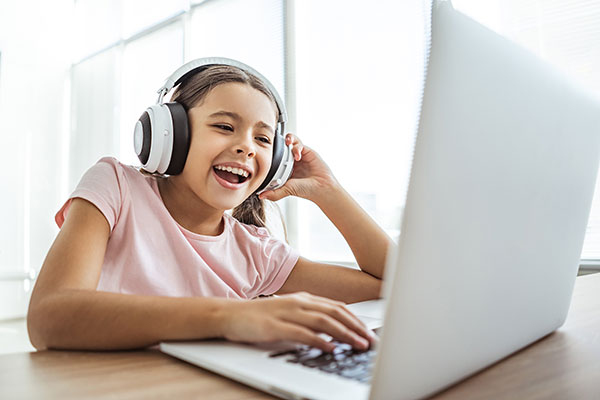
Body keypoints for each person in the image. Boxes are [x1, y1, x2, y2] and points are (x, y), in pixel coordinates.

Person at [27, 62, 393, 353]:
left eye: (263, 138)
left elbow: (397, 284)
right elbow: (49, 317)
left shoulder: (257, 252)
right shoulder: (116, 187)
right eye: (223, 126)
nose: (246, 147)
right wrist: (231, 316)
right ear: (171, 134)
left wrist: (327, 190)